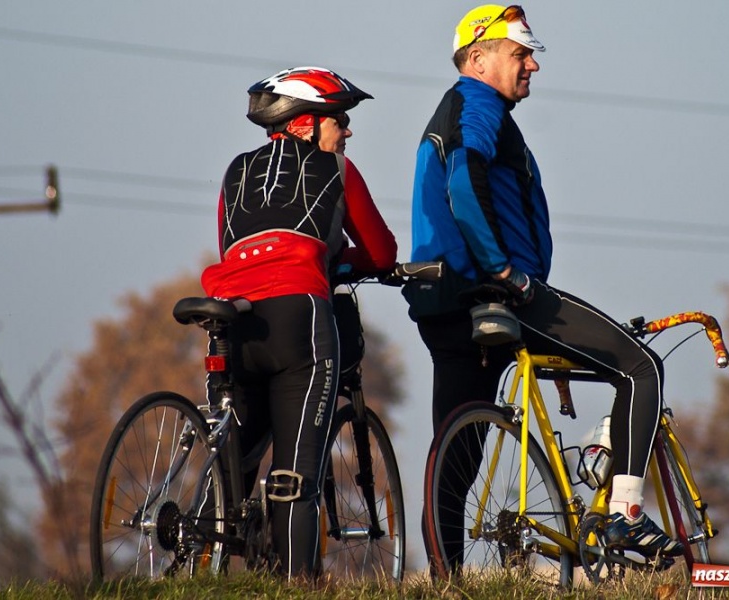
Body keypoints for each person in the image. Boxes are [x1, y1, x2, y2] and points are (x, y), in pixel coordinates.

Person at [404, 4, 684, 566]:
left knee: (456, 457)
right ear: (478, 59)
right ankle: (624, 514)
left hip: (445, 304)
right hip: (501, 297)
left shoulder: (462, 108)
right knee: (641, 368)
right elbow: (463, 183)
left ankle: (447, 580)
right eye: (520, 53)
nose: (532, 64)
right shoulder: (476, 104)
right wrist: (505, 273)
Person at [200, 66, 397, 577]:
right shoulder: (337, 170)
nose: (348, 131)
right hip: (299, 319)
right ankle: (297, 585)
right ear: (307, 124)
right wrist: (338, 261)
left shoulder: (234, 172)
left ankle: (203, 556)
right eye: (341, 119)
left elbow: (234, 250)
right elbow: (381, 251)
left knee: (233, 460)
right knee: (296, 475)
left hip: (232, 320)